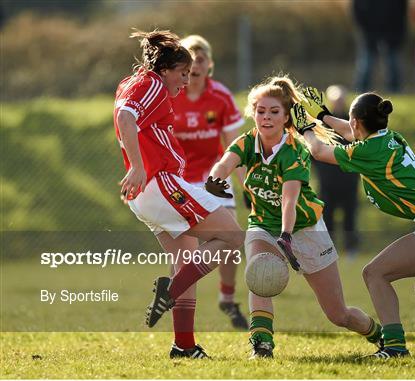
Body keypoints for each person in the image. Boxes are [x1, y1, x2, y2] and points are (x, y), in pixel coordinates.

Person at [206, 75, 383, 359]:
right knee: (259, 274)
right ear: (253, 114)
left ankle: (380, 335)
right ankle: (262, 346)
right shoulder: (246, 142)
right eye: (261, 111)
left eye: (274, 112)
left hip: (304, 228)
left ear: (287, 116)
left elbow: (289, 199)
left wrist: (286, 235)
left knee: (338, 314)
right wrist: (215, 180)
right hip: (263, 224)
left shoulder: (294, 150)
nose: (266, 117)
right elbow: (226, 162)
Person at [294, 87, 415, 358]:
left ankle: (394, 347)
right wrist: (324, 116)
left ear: (357, 122)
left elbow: (319, 151)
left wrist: (306, 128)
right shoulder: (390, 138)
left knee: (374, 273)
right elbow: (349, 131)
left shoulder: (370, 150)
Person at [114, 29, 244, 359]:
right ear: (166, 68)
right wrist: (139, 166)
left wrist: (138, 167)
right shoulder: (153, 85)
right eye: (183, 73)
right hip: (158, 182)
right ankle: (170, 291)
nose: (186, 81)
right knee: (232, 237)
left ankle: (184, 346)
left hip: (146, 194)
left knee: (186, 260)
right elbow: (125, 117)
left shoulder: (135, 83)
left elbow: (129, 117)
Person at [170, 34, 248, 350]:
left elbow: (235, 148)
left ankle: (227, 297)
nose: (197, 64)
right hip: (178, 180)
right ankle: (182, 325)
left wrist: (247, 186)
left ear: (210, 64)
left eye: (202, 58)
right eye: (191, 58)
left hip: (214, 177)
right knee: (183, 253)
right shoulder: (170, 95)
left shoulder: (221, 97)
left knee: (231, 236)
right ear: (183, 66)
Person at [311, 85, 360, 257]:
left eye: (341, 100)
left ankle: (351, 250)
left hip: (349, 181)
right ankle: (327, 251)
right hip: (327, 182)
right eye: (335, 100)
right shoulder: (322, 126)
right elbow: (312, 152)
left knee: (350, 218)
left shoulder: (352, 124)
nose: (338, 104)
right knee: (326, 219)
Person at [352, 0, 408, 93]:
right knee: (366, 65)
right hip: (369, 33)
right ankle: (361, 92)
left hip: (392, 32)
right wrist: (364, 29)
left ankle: (395, 92)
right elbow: (357, 11)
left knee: (392, 65)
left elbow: (402, 11)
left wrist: (398, 32)